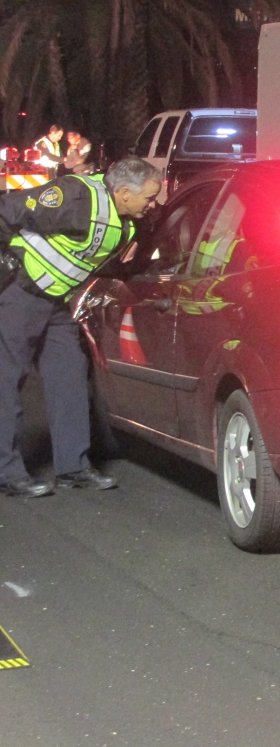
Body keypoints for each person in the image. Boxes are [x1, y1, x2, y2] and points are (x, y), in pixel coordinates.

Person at [0, 157, 161, 498]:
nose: (152, 204)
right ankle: (7, 473)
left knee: (69, 376)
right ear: (123, 192)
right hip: (20, 294)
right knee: (6, 380)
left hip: (56, 303)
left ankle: (72, 467)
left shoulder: (126, 218)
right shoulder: (75, 197)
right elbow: (7, 209)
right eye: (148, 197)